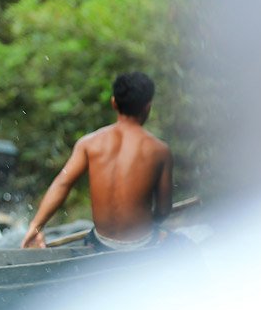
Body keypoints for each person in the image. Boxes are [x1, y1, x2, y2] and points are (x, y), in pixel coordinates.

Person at [21, 72, 172, 251]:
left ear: (114, 102)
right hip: (141, 243)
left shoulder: (89, 143)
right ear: (148, 107)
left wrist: (36, 225)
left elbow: (62, 184)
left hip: (102, 243)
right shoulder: (160, 150)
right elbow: (163, 211)